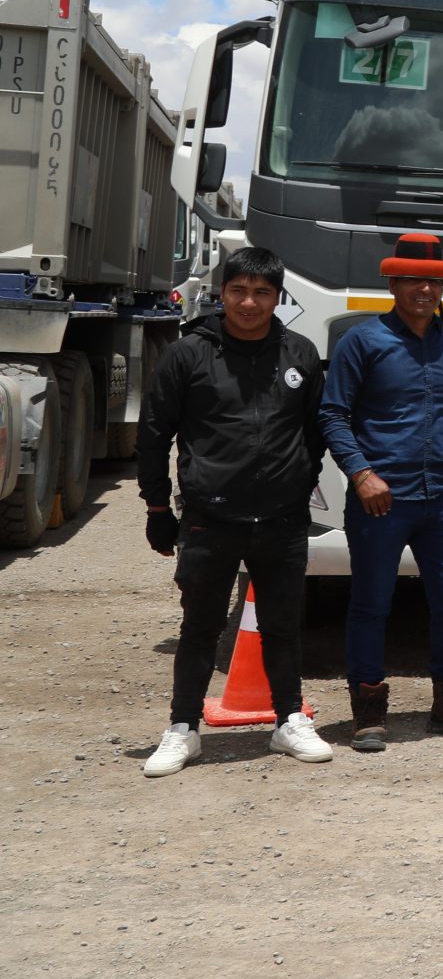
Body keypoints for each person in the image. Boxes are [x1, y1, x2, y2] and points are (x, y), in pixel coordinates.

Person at [138, 246, 332, 776]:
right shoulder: (188, 354)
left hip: (283, 521)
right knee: (199, 628)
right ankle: (182, 729)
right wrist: (157, 505)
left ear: (277, 297)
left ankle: (289, 720)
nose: (249, 302)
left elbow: (316, 433)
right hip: (209, 519)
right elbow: (154, 434)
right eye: (239, 291)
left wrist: (297, 480)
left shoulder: (301, 353)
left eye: (262, 293)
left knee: (282, 626)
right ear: (221, 293)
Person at [317, 233, 443, 749]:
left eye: (434, 282)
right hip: (381, 498)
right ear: (391, 283)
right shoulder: (363, 341)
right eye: (413, 280)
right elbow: (332, 413)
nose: (424, 289)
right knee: (372, 602)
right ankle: (368, 710)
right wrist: (360, 473)